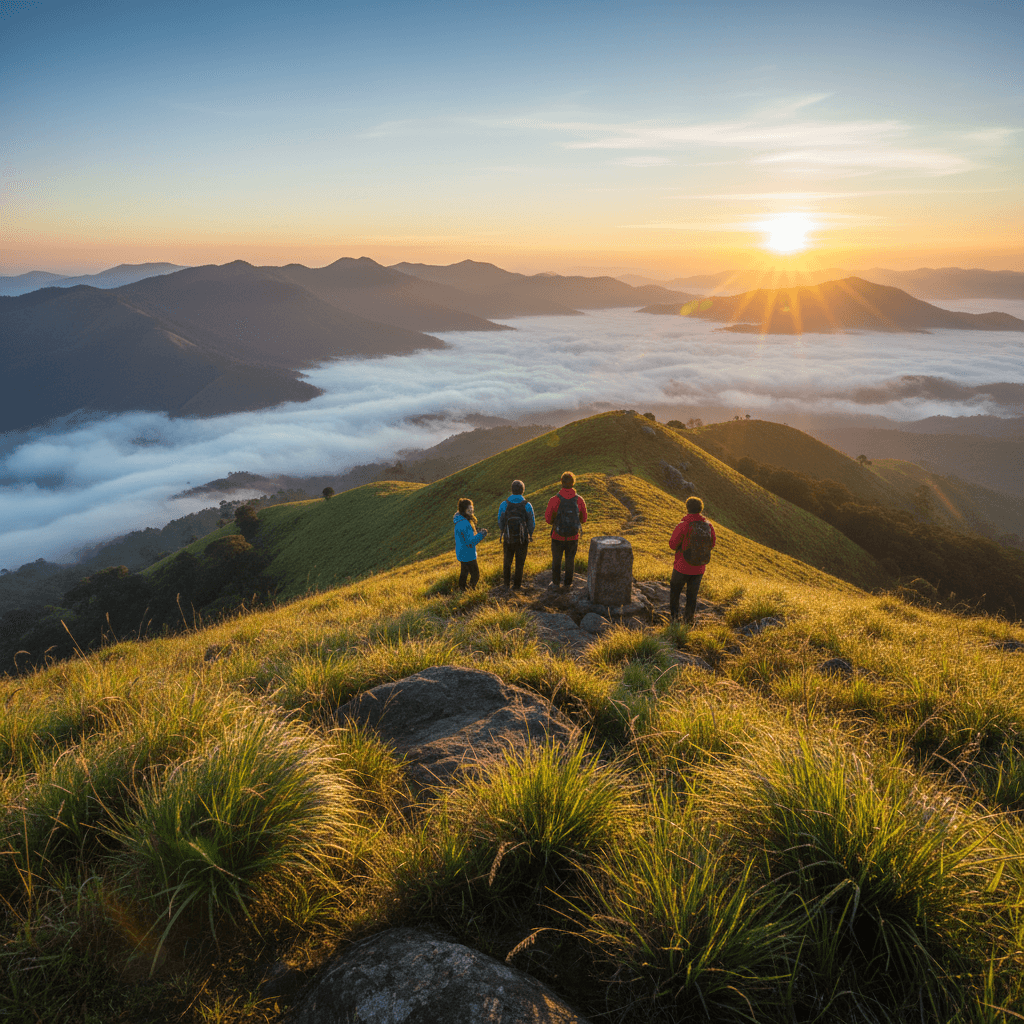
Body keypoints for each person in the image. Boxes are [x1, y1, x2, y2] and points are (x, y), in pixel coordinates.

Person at [668, 496, 716, 624]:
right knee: (692, 596)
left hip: (682, 566)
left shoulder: (683, 525)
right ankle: (688, 621)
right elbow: (712, 544)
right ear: (701, 509)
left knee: (675, 593)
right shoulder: (709, 526)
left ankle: (674, 619)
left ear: (687, 508)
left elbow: (672, 545)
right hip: (699, 567)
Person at [544, 471, 588, 589]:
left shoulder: (554, 500)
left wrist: (556, 521)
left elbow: (548, 519)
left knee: (556, 560)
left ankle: (555, 583)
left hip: (557, 535)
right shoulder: (579, 500)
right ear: (573, 483)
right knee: (570, 560)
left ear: (561, 483)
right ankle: (568, 584)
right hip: (573, 536)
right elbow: (583, 519)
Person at [497, 479, 535, 589]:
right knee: (520, 562)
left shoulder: (504, 504)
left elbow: (500, 521)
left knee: (507, 562)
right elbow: (531, 522)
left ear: (511, 490)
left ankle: (506, 584)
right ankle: (517, 585)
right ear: (523, 490)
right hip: (522, 539)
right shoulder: (527, 505)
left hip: (508, 538)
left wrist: (504, 531)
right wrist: (529, 534)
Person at [453, 497, 487, 590]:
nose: (471, 510)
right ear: (463, 510)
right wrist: (481, 534)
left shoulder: (459, 520)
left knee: (464, 572)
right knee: (475, 575)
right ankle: (470, 591)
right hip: (468, 553)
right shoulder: (465, 523)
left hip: (461, 552)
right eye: (469, 509)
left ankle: (462, 589)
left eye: (472, 507)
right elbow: (470, 542)